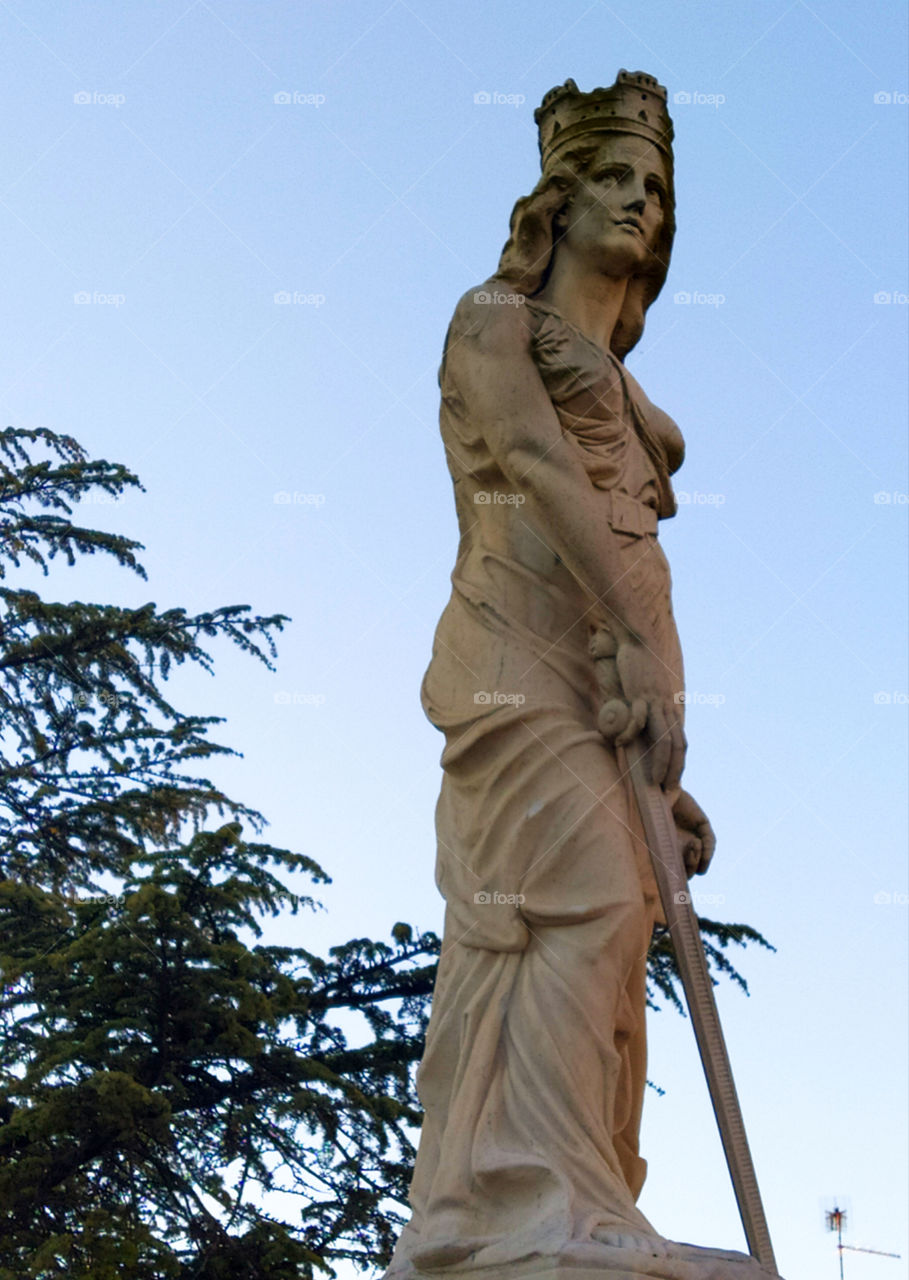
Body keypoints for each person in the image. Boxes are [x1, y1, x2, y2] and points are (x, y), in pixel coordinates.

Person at [387, 73, 723, 1277]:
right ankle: (514, 1199)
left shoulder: (628, 390)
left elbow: (622, 536)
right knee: (566, 897)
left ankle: (585, 1187)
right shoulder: (490, 319)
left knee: (620, 914)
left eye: (656, 188)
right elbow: (532, 455)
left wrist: (657, 750)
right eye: (617, 180)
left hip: (602, 690)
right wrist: (640, 638)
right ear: (558, 199)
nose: (641, 200)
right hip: (509, 664)